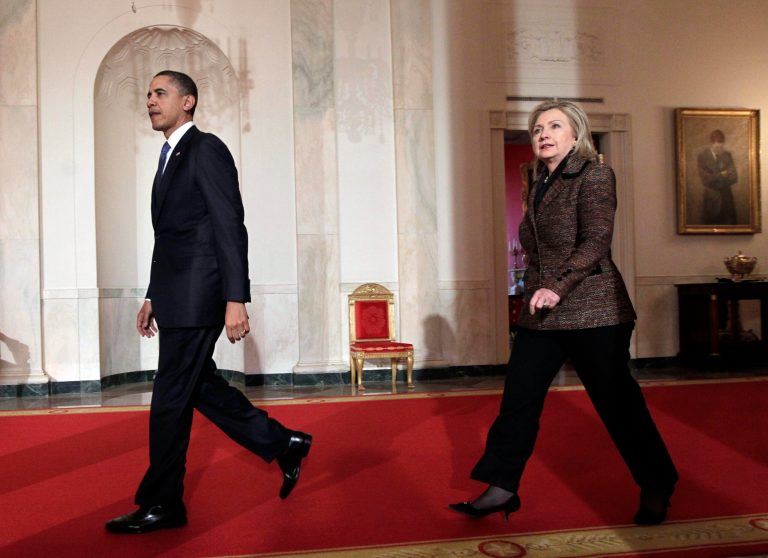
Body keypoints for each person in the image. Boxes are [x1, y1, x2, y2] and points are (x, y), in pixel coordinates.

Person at [449, 100, 678, 525]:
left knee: (618, 406)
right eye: (537, 128)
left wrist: (555, 287)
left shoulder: (594, 175)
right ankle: (501, 488)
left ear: (577, 133)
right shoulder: (538, 182)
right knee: (518, 400)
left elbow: (596, 242)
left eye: (555, 125)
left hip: (595, 311)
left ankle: (656, 483)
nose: (543, 134)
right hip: (544, 313)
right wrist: (536, 290)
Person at [106, 70, 312, 534]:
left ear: (188, 101)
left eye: (160, 93)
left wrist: (235, 297)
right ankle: (285, 443)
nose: (150, 101)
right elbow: (171, 236)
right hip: (177, 293)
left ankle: (162, 504)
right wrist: (154, 295)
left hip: (201, 293)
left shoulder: (207, 148)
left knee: (168, 402)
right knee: (199, 388)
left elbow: (228, 225)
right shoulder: (167, 156)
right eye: (147, 95)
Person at [697, 129, 738, 224]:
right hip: (711, 201)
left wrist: (714, 177)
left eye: (722, 143)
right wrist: (721, 175)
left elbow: (734, 177)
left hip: (727, 200)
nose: (720, 145)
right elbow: (705, 181)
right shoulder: (703, 157)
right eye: (717, 143)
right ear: (711, 143)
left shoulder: (727, 155)